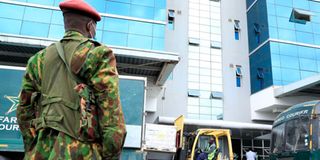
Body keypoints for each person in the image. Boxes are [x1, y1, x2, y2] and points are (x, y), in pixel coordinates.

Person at [17, 0, 126, 159]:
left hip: (41, 152)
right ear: (90, 26)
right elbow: (111, 113)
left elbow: (23, 111)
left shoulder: (38, 59)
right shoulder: (97, 54)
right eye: (95, 27)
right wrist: (109, 154)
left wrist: (34, 146)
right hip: (82, 152)